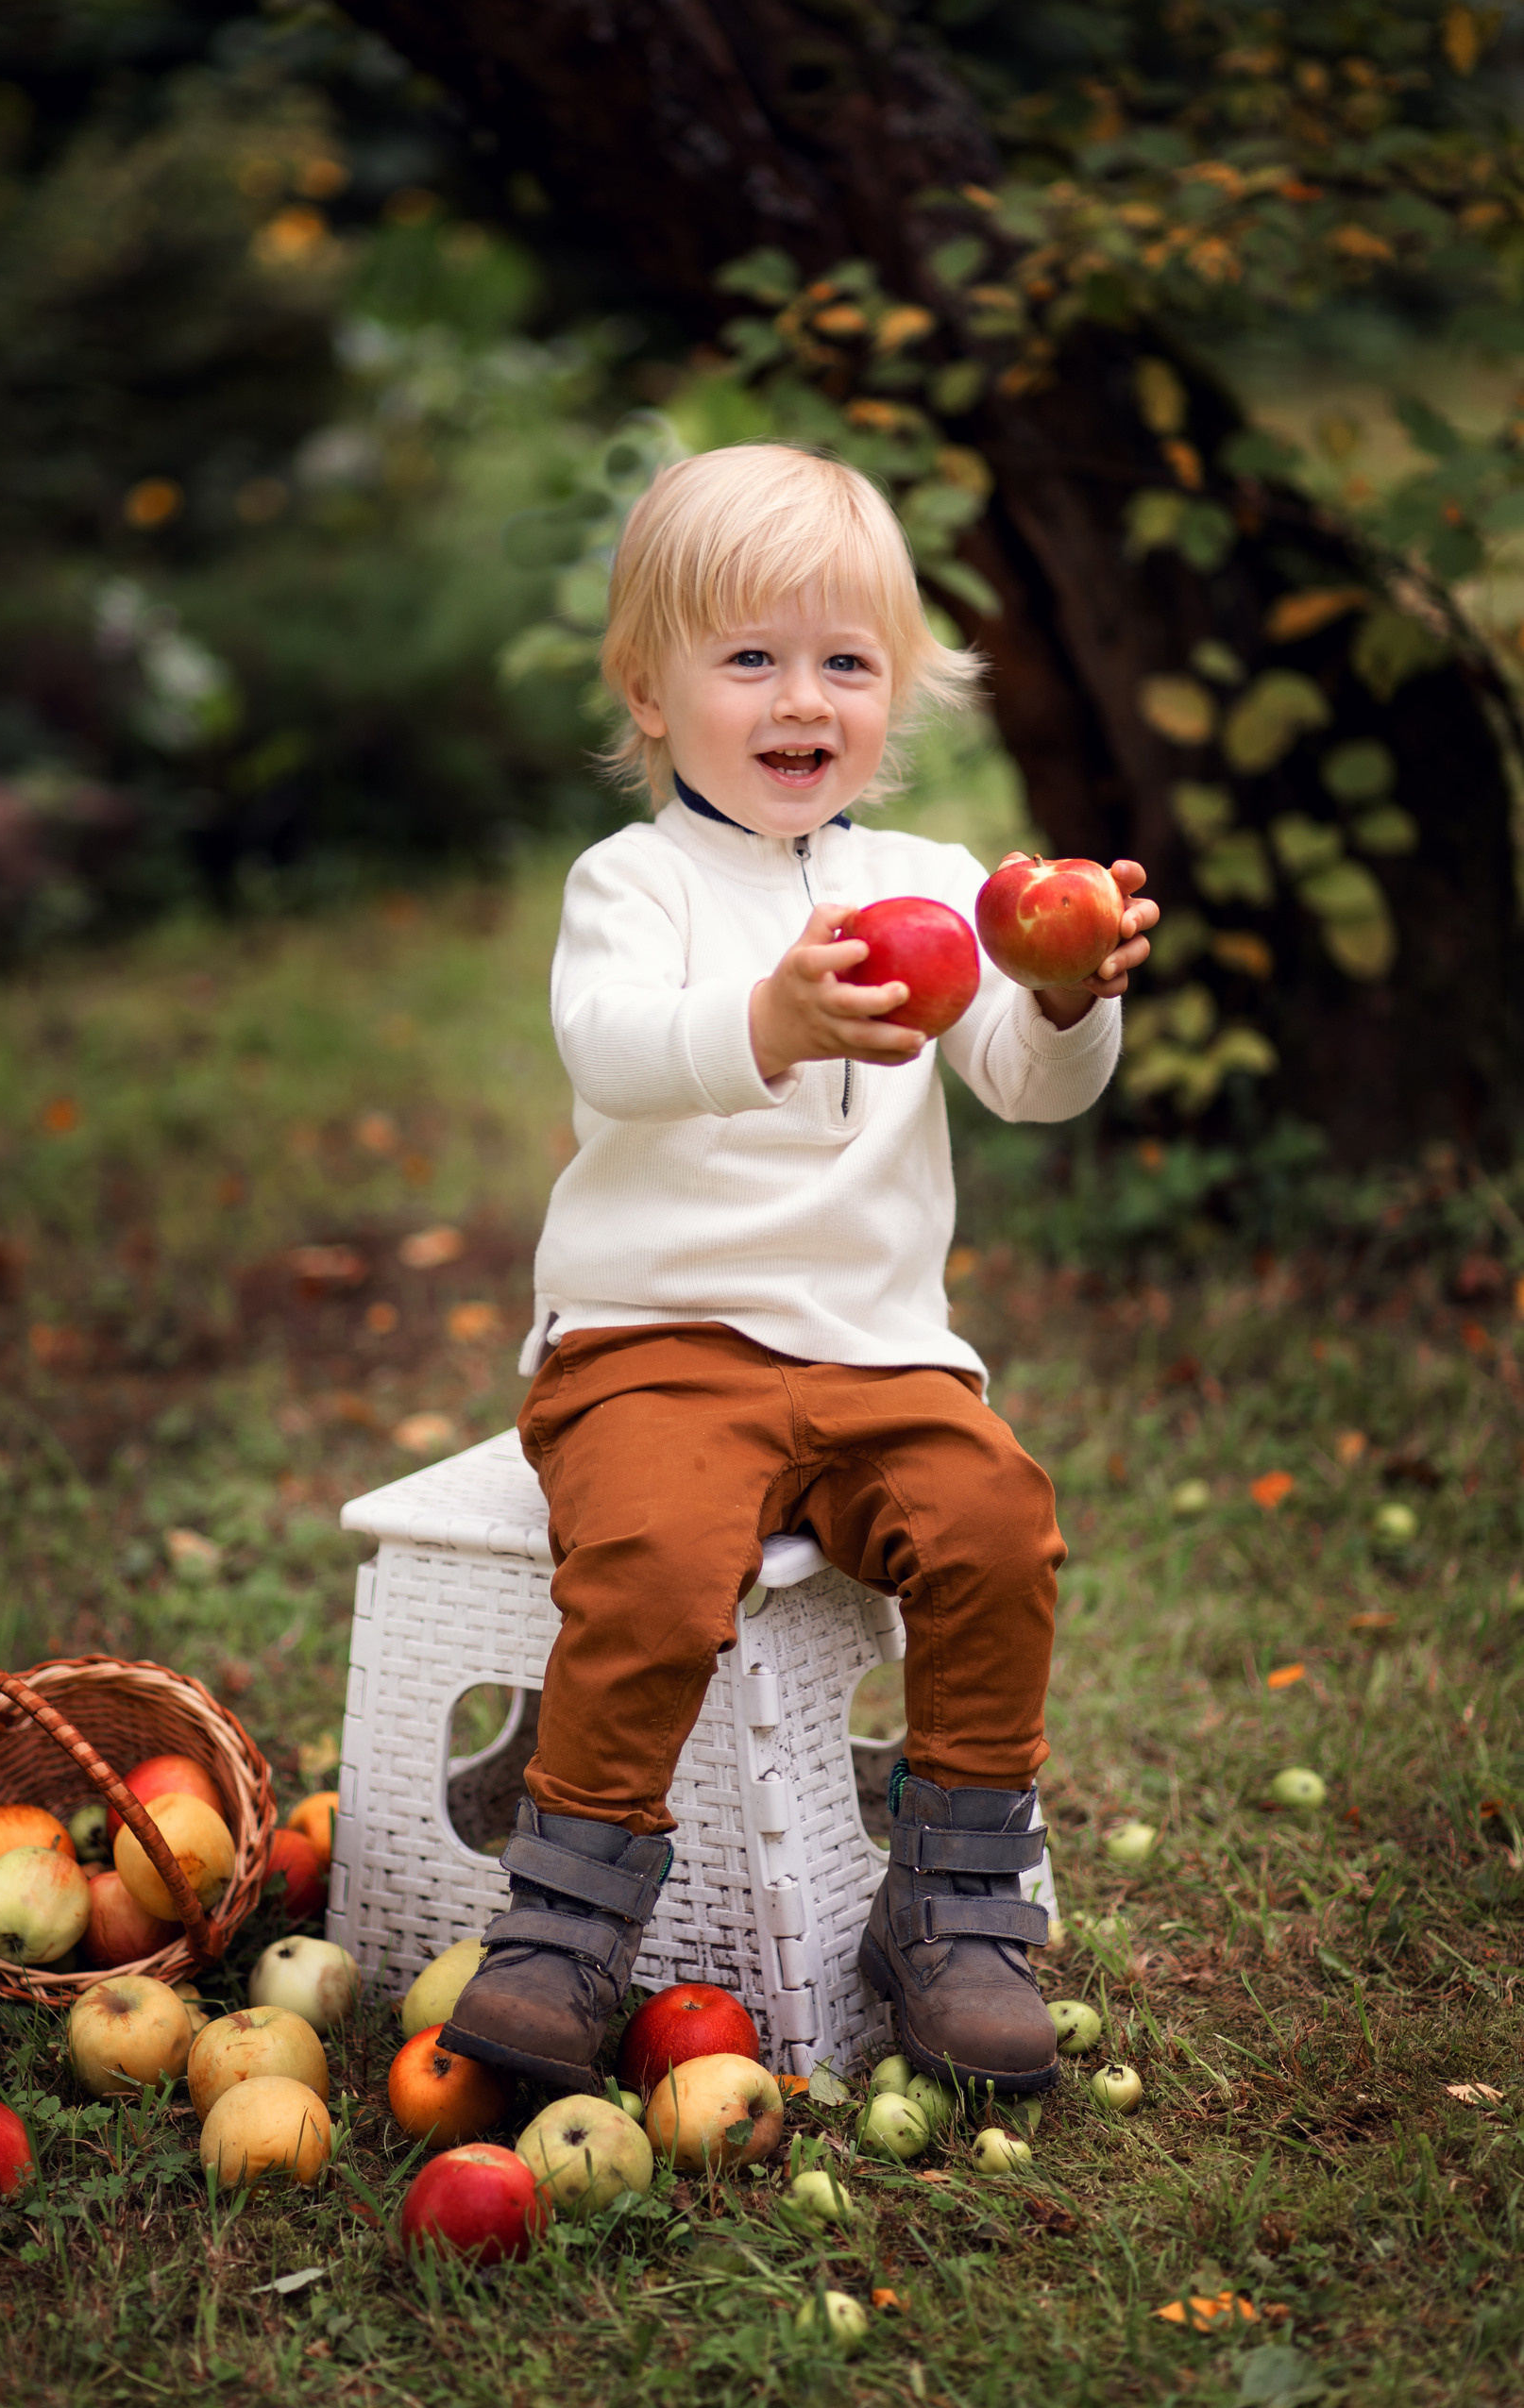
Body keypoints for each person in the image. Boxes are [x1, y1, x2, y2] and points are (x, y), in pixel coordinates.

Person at [439, 442, 1157, 2096]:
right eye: (747, 658)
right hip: (655, 1341)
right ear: (649, 684)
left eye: (844, 663)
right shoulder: (635, 885)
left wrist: (1065, 993)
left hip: (878, 1354)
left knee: (998, 1526)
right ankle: (563, 1919)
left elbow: (1029, 1085)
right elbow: (613, 1051)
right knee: (652, 1560)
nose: (799, 700)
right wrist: (767, 1020)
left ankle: (959, 1908)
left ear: (897, 693)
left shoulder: (930, 890)